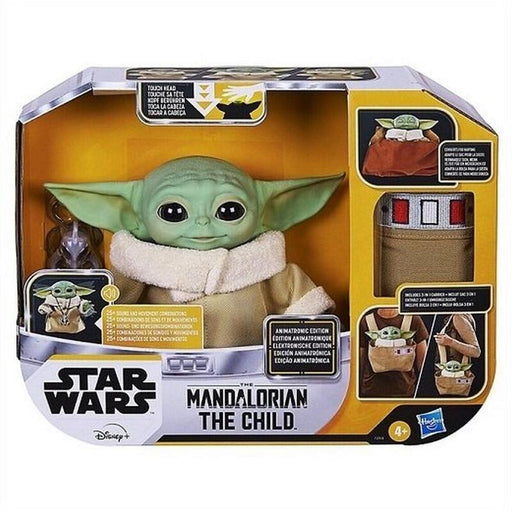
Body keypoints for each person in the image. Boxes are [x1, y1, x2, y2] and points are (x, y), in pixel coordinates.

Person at [359, 307, 428, 398]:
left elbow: (423, 362)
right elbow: (360, 361)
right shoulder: (365, 321)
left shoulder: (413, 319)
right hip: (371, 391)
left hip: (404, 392)